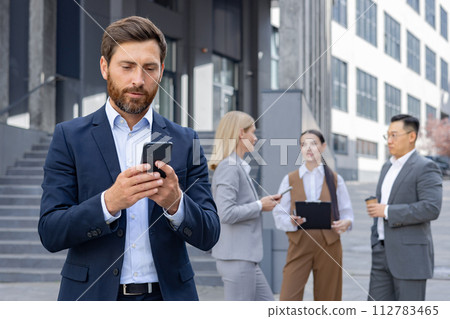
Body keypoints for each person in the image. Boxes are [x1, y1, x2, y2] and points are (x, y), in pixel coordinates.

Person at [38, 16, 220, 301]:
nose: (138, 79)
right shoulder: (69, 137)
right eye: (127, 67)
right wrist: (108, 203)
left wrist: (176, 204)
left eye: (149, 68)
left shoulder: (186, 140)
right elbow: (50, 231)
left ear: (161, 71)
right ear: (104, 68)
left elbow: (209, 233)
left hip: (168, 298)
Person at [367, 114, 442, 301]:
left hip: (410, 258)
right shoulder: (387, 167)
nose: (389, 141)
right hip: (381, 254)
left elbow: (431, 208)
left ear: (411, 136)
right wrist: (375, 241)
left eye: (394, 135)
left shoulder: (426, 167)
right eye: (387, 136)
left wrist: (387, 211)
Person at [273, 129, 354, 301]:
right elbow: (278, 214)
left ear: (323, 147)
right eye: (304, 144)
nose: (309, 148)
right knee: (289, 297)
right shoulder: (290, 179)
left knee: (328, 298)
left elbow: (347, 213)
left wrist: (345, 223)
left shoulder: (335, 179)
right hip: (299, 244)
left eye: (314, 143)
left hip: (329, 244)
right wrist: (291, 221)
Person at [209, 111, 280, 301]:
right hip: (236, 259)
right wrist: (259, 205)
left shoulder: (237, 166)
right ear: (241, 133)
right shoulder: (229, 167)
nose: (255, 138)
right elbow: (226, 213)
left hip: (244, 259)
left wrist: (261, 204)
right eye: (252, 132)